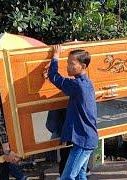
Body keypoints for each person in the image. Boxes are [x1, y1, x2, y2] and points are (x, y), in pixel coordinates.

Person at [48, 45, 98, 179]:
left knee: (67, 177)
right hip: (87, 138)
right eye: (67, 63)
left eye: (72, 63)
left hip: (83, 140)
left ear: (83, 66)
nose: (68, 66)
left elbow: (53, 76)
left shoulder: (77, 85)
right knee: (81, 175)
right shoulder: (87, 82)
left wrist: (55, 57)